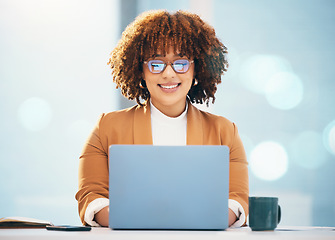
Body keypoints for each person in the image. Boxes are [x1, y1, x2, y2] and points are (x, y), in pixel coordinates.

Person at [75, 9, 249, 228]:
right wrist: (145, 221)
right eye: (156, 64)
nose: (168, 74)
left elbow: (237, 200)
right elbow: (91, 197)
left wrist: (193, 220)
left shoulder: (225, 131)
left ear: (197, 69)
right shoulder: (107, 128)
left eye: (181, 62)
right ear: (140, 70)